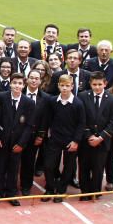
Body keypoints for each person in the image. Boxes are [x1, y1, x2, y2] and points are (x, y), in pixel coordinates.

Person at [77, 72, 113, 200]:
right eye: (94, 84)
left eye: (100, 84)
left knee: (98, 167)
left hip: (102, 141)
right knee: (84, 166)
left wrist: (100, 137)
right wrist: (89, 136)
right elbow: (81, 118)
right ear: (90, 84)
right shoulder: (83, 96)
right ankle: (85, 192)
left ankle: (95, 191)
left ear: (105, 84)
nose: (97, 87)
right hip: (86, 140)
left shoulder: (112, 99)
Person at [43, 74, 84, 202]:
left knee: (68, 167)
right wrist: (47, 133)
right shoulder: (53, 101)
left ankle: (61, 190)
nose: (65, 88)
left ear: (72, 86)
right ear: (58, 86)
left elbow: (81, 123)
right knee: (49, 165)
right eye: (62, 85)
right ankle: (50, 188)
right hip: (54, 138)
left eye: (67, 86)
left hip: (70, 140)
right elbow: (48, 118)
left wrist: (76, 141)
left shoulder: (78, 104)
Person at [0, 73, 35, 206]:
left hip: (17, 142)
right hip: (2, 140)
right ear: (10, 84)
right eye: (15, 83)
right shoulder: (1, 97)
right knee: (0, 166)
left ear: (24, 85)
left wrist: (21, 144)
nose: (17, 86)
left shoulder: (29, 102)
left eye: (20, 83)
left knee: (14, 167)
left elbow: (29, 126)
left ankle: (11, 193)